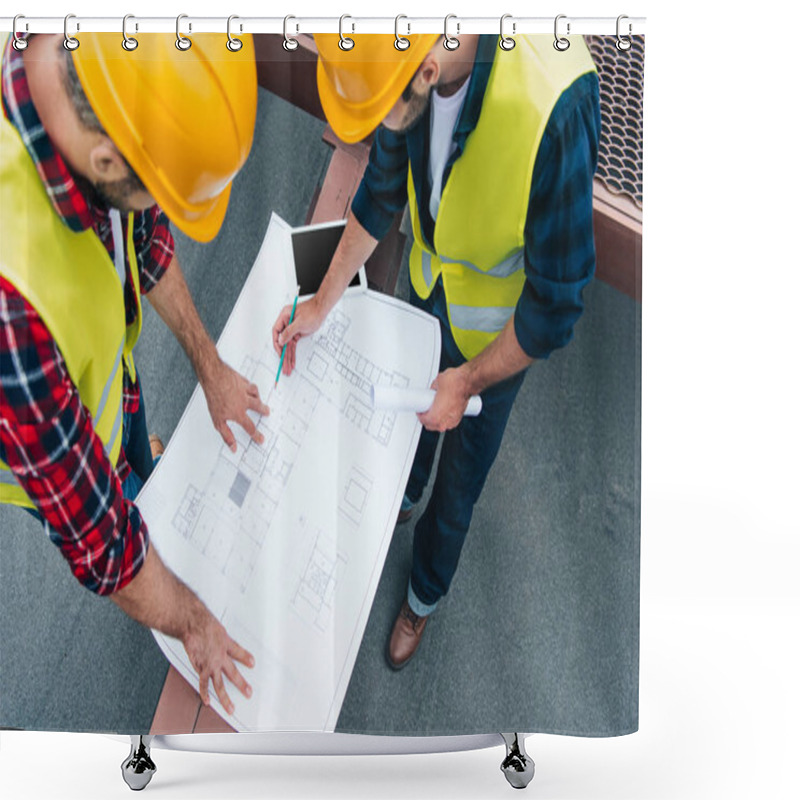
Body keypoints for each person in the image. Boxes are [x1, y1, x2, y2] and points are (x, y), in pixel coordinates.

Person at [272, 33, 601, 669]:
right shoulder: (403, 43)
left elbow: (556, 304)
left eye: (384, 117)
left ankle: (422, 596)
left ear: (426, 67)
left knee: (459, 483)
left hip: (497, 335)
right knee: (409, 420)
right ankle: (399, 492)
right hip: (432, 285)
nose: (382, 132)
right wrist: (321, 299)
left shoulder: (554, 106)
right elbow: (384, 188)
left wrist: (470, 381)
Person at [0, 33, 270, 714]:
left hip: (101, 382)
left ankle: (135, 468)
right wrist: (195, 623)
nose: (158, 214)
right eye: (155, 192)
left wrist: (210, 368)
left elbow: (143, 241)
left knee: (131, 456)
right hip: (44, 440)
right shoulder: (11, 314)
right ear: (105, 158)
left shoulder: (99, 63)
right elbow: (100, 543)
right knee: (117, 507)